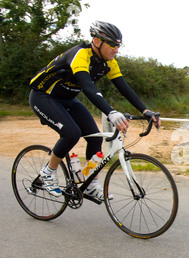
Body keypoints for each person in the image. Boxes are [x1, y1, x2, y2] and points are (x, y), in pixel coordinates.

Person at [29, 21, 159, 200]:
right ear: (97, 41)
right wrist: (111, 112)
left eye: (118, 45)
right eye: (112, 45)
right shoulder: (81, 55)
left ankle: (90, 184)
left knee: (94, 137)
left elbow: (124, 88)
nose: (116, 50)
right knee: (71, 133)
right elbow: (88, 87)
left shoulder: (109, 62)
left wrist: (145, 111)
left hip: (68, 99)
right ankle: (48, 172)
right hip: (44, 97)